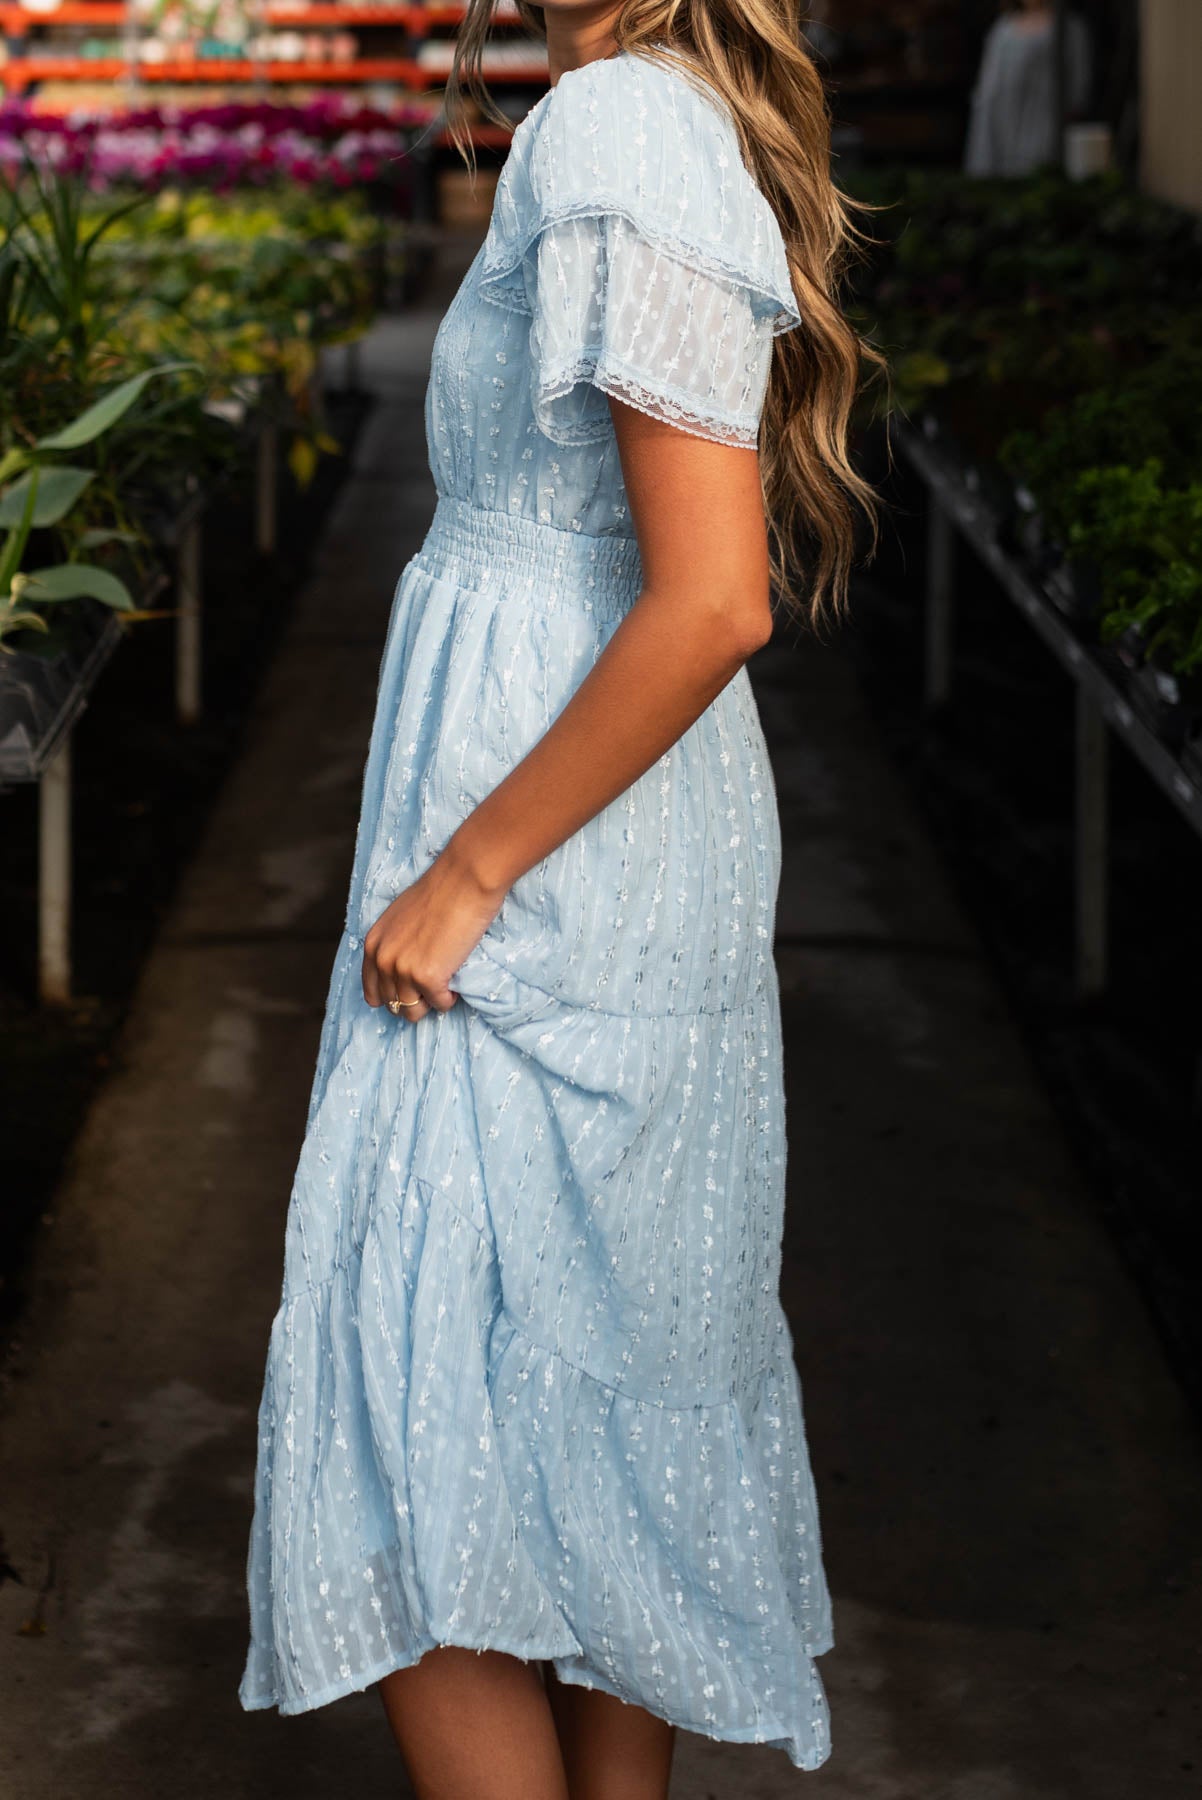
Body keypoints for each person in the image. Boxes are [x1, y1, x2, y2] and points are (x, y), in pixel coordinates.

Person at [238, 2, 878, 1794]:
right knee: (601, 1401)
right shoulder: (658, 116)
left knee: (411, 1401)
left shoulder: (610, 121)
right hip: (615, 847)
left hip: (545, 865)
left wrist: (466, 870)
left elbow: (711, 599)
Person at [965, 0, 1093, 176]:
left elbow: (1078, 86)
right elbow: (988, 90)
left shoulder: (1068, 29)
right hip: (1005, 131)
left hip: (1045, 130)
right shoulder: (1003, 30)